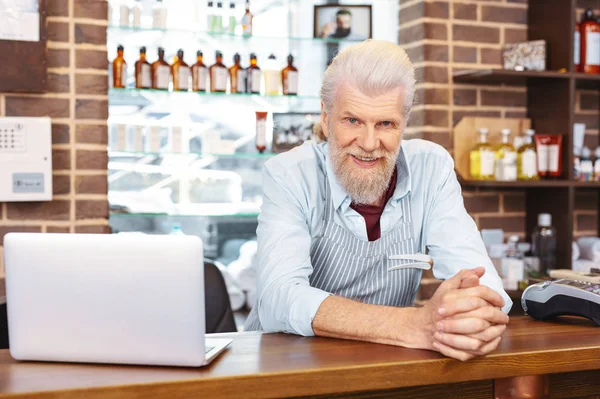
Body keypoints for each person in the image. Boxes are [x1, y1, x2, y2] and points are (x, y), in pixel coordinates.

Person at [245, 40, 512, 362]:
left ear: (404, 124)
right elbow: (277, 300)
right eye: (352, 121)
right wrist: (411, 325)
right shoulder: (289, 174)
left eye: (386, 124)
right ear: (326, 119)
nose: (369, 144)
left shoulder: (431, 166)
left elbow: (486, 287)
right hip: (286, 367)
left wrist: (473, 315)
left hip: (384, 362)